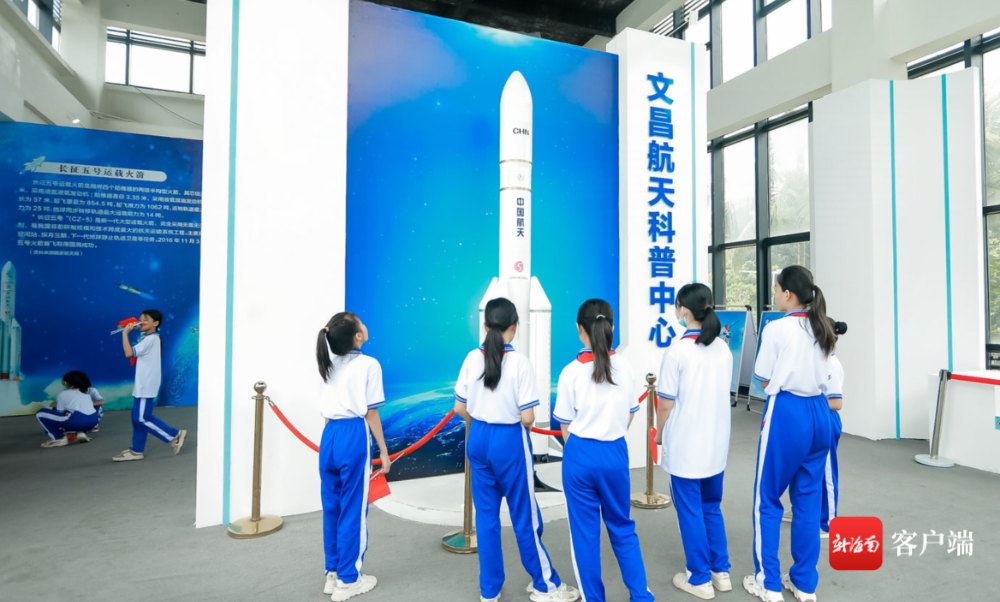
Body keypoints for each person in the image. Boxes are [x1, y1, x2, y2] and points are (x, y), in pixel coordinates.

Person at [454, 297, 578, 602]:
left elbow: (460, 408)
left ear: (485, 326)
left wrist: (483, 417)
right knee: (524, 515)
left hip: (477, 437)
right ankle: (545, 585)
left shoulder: (471, 358)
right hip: (509, 441)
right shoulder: (520, 363)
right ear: (515, 326)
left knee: (486, 518)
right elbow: (528, 418)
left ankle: (489, 590)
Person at [744, 266, 837, 602]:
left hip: (788, 412)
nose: (774, 293)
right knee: (808, 503)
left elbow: (763, 378)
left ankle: (768, 583)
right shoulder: (822, 325)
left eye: (776, 288)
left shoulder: (776, 328)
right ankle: (805, 585)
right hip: (820, 412)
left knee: (767, 498)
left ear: (787, 294)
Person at [553, 299, 654, 602]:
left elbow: (565, 425)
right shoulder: (625, 367)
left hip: (579, 455)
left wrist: (581, 450)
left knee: (584, 536)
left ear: (579, 329)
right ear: (611, 326)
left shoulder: (570, 372)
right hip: (615, 453)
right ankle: (641, 596)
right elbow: (630, 414)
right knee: (622, 527)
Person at [655, 283, 732, 600]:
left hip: (687, 446)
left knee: (690, 511)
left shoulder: (678, 351)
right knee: (711, 507)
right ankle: (720, 571)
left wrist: (659, 433)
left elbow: (665, 404)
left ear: (683, 310)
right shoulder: (723, 349)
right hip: (716, 445)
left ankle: (699, 578)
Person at [316, 312, 391, 602]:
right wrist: (383, 450)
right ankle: (349, 580)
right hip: (353, 435)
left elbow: (327, 411)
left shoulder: (328, 362)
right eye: (360, 322)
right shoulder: (370, 364)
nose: (364, 323)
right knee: (353, 508)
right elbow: (371, 413)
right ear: (357, 336)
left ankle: (333, 572)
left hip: (330, 435)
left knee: (332, 506)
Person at [113, 310, 186, 462]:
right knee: (136, 419)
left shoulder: (151, 339)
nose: (141, 322)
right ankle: (137, 450)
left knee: (142, 418)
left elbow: (129, 353)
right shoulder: (148, 338)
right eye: (140, 319)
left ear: (155, 323)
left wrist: (125, 333)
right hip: (143, 383)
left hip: (146, 384)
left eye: (145, 320)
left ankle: (174, 434)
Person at [820, 320, 846, 539]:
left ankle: (828, 523)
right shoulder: (818, 360)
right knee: (808, 470)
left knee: (827, 473)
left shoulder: (831, 364)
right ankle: (804, 510)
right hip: (815, 418)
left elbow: (836, 403)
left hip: (827, 421)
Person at [37, 371, 101, 447]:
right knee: (78, 414)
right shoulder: (86, 393)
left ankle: (59, 438)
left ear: (66, 383)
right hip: (93, 422)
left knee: (40, 413)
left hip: (77, 421)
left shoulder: (64, 394)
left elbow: (60, 412)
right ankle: (82, 432)